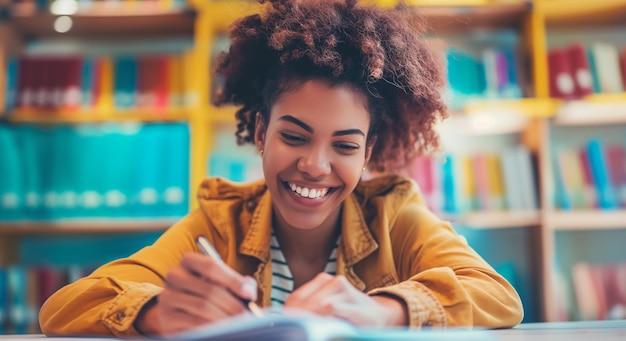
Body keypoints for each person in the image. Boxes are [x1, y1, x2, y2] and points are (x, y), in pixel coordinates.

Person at [39, 0, 524, 337]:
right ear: (258, 132)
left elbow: (499, 297)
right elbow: (64, 307)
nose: (315, 166)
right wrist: (157, 314)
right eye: (293, 136)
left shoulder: (395, 213)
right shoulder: (219, 219)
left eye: (344, 145)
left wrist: (382, 311)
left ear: (367, 149)